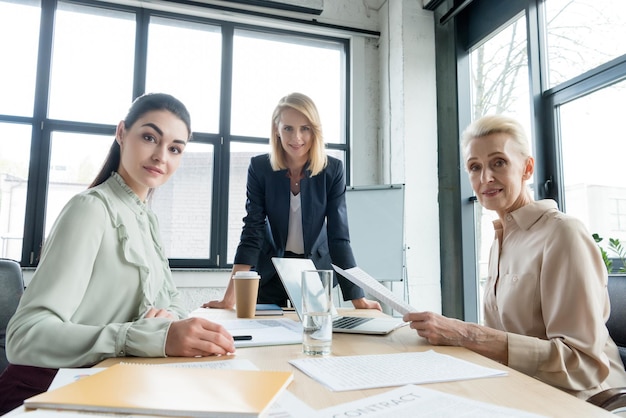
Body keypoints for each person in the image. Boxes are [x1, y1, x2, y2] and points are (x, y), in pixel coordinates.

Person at [0, 93, 235, 413]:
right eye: (150, 137)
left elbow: (172, 305)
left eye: (175, 148)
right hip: (43, 394)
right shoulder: (90, 210)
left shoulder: (146, 218)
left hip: (110, 389)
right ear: (122, 133)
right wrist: (142, 336)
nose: (161, 156)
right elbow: (24, 337)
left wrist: (164, 323)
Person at [403, 114, 626, 399]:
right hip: (519, 389)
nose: (486, 178)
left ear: (527, 168)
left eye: (499, 162)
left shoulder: (563, 234)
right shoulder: (501, 239)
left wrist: (468, 335)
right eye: (475, 167)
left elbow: (583, 364)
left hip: (583, 400)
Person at [204, 92, 381, 310]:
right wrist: (228, 299)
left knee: (316, 333)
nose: (296, 138)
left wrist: (358, 299)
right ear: (276, 130)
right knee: (267, 336)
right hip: (270, 269)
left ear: (314, 131)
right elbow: (252, 231)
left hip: (315, 271)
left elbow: (339, 238)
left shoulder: (332, 170)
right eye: (288, 128)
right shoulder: (260, 168)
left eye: (304, 128)